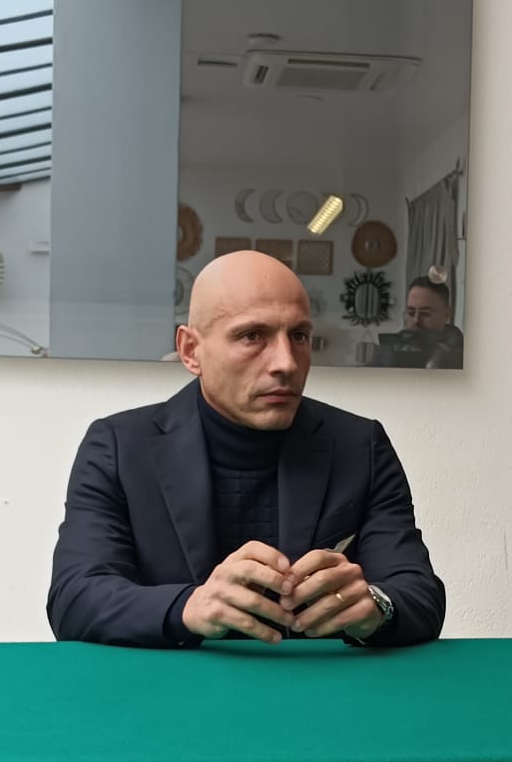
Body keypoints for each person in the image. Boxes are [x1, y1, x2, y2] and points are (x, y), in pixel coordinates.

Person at [49, 250, 444, 648]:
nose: (286, 363)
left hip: (317, 682)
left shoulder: (359, 446)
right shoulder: (118, 448)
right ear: (191, 351)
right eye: (252, 336)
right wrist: (190, 606)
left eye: (299, 336)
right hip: (169, 683)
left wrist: (376, 607)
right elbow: (74, 598)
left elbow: (419, 595)